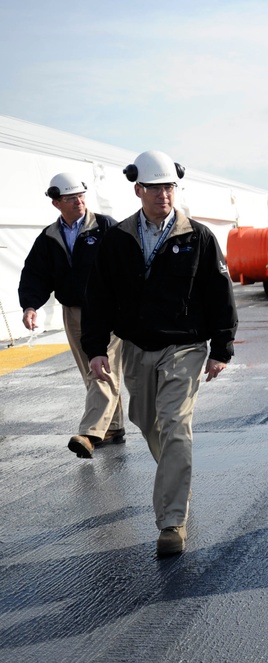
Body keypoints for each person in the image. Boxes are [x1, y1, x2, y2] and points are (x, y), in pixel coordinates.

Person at [83, 150, 238, 557]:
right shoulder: (117, 239)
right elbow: (97, 297)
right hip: (135, 348)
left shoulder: (198, 236)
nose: (163, 195)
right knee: (146, 420)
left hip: (184, 346)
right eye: (154, 188)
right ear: (138, 189)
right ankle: (176, 472)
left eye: (169, 187)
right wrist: (96, 349)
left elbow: (220, 294)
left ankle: (171, 521)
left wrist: (222, 347)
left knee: (174, 425)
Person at [18, 172, 124, 458]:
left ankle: (90, 432)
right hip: (74, 313)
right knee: (92, 372)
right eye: (70, 198)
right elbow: (36, 274)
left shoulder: (105, 227)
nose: (78, 202)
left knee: (101, 367)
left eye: (80, 196)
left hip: (107, 311)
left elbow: (126, 266)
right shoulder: (50, 237)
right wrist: (30, 306)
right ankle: (113, 427)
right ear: (56, 203)